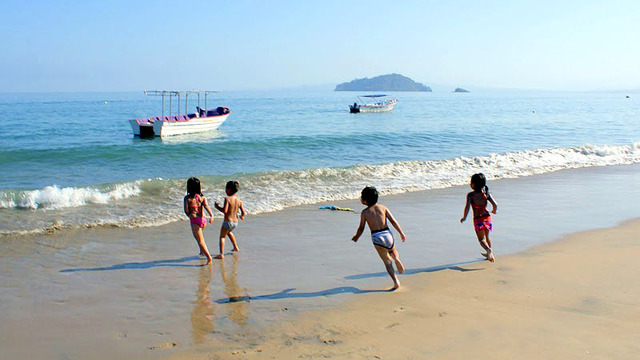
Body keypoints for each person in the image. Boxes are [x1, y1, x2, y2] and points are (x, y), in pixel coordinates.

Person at [352, 186, 406, 290]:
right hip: (387, 233)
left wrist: (356, 237)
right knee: (392, 250)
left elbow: (361, 228)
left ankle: (395, 281)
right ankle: (397, 258)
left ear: (365, 201)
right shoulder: (383, 207)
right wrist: (401, 233)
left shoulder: (365, 212)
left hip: (377, 237)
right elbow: (393, 221)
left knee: (387, 261)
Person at [460, 173, 498, 262]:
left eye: (471, 182)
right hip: (487, 218)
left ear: (474, 185)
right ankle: (489, 254)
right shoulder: (486, 194)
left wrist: (464, 217)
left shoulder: (471, 195)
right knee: (487, 237)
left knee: (481, 240)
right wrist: (494, 211)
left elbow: (467, 207)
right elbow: (495, 204)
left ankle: (488, 250)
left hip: (478, 219)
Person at [183, 177, 214, 264]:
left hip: (195, 220)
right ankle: (201, 251)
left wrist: (189, 215)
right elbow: (206, 206)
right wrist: (211, 215)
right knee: (200, 238)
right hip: (203, 220)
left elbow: (186, 210)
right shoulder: (202, 197)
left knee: (200, 240)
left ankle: (209, 257)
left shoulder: (187, 198)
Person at [214, 181, 246, 259]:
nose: (225, 190)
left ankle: (221, 254)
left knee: (222, 237)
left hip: (227, 222)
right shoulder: (239, 200)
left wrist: (217, 207)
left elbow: (225, 211)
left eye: (226, 189)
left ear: (229, 190)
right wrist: (241, 216)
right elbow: (243, 212)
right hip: (235, 223)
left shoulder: (227, 199)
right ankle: (235, 247)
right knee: (229, 233)